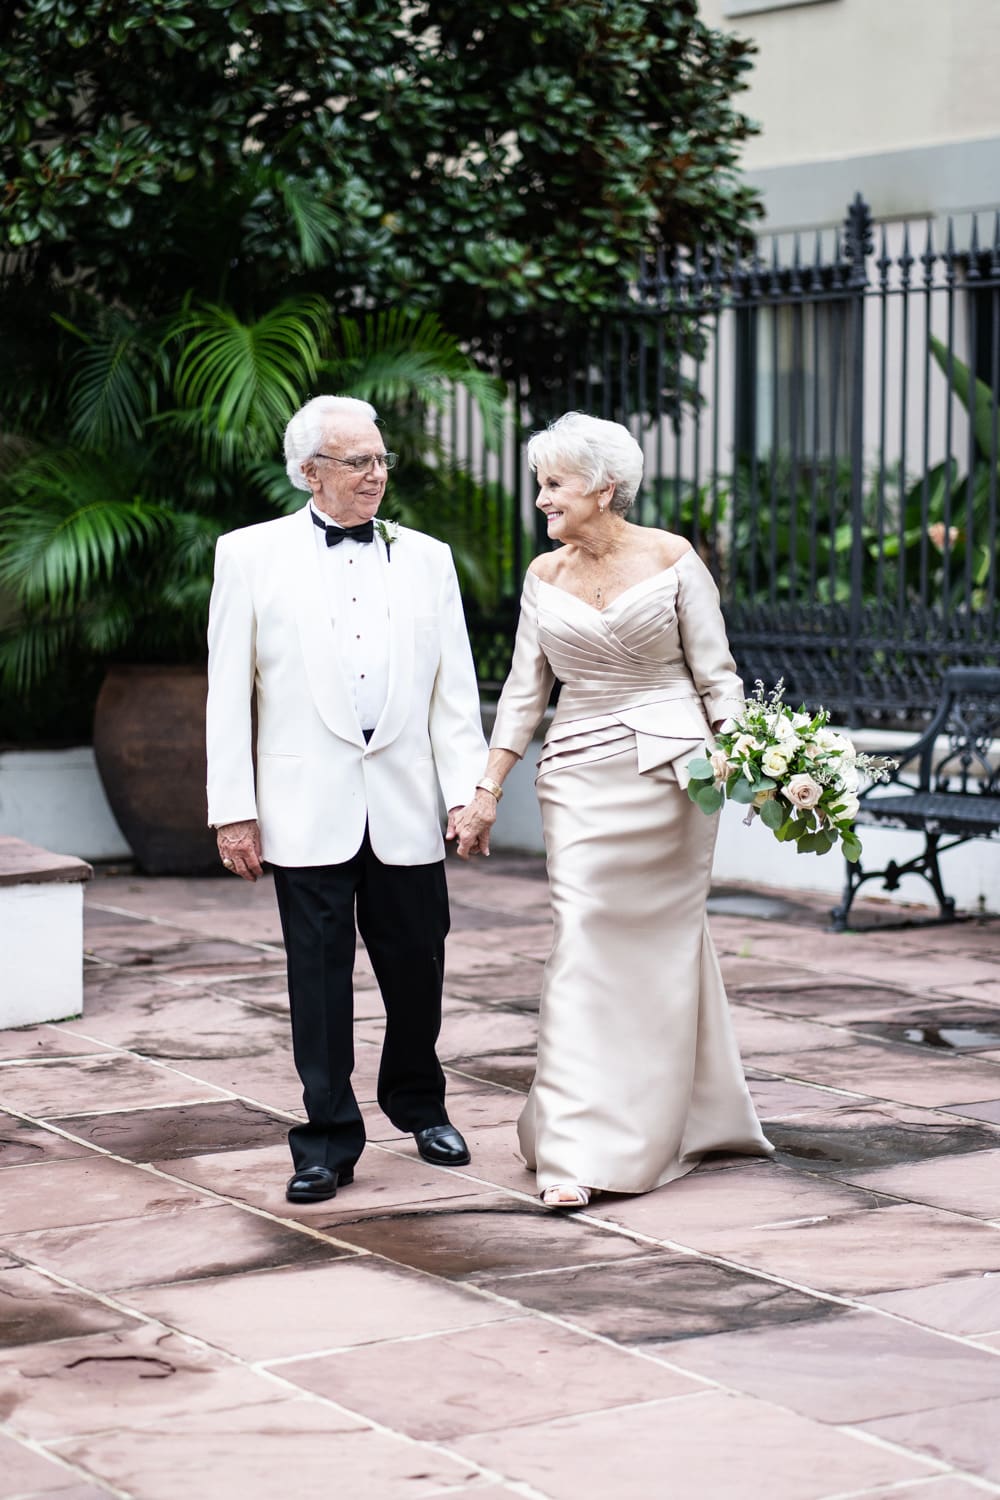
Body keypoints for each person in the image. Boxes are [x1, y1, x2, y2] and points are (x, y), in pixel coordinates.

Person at [453, 411, 773, 1209]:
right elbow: (526, 691)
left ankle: (680, 1117)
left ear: (603, 487)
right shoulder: (543, 576)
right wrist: (488, 789)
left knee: (663, 951)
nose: (541, 500)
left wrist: (746, 755)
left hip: (674, 776)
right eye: (540, 484)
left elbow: (718, 674)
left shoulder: (672, 558)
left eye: (553, 484)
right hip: (579, 776)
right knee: (586, 941)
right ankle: (575, 1144)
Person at [206, 394, 488, 1204]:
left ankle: (418, 1102)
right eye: (357, 462)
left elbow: (454, 694)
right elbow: (229, 693)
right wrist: (234, 807)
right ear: (308, 471)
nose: (376, 475)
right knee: (319, 981)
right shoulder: (248, 554)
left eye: (380, 459)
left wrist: (469, 794)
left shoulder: (427, 557)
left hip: (404, 804)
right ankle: (325, 1140)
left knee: (418, 966)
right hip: (303, 806)